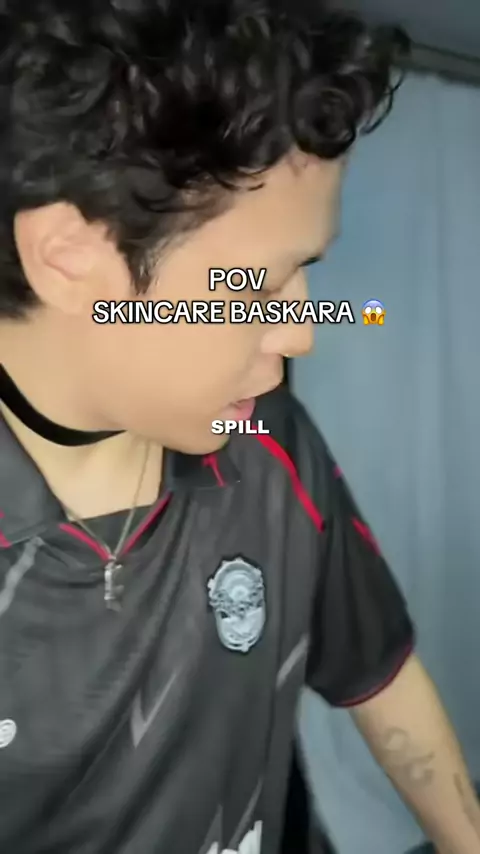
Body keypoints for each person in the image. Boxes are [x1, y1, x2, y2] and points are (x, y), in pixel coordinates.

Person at [0, 1, 479, 852]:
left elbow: (379, 673)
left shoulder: (269, 442)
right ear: (71, 259)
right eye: (255, 288)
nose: (302, 332)